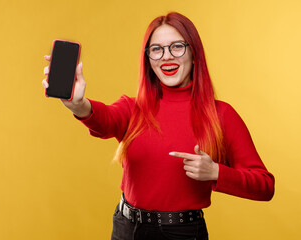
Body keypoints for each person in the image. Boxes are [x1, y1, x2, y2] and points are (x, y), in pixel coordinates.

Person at [43, 12, 274, 240]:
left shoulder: (222, 115)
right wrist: (77, 104)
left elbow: (265, 185)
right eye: (157, 49)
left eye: (177, 46)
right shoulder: (132, 108)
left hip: (182, 233)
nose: (166, 56)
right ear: (148, 59)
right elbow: (104, 120)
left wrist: (215, 172)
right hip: (126, 229)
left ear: (194, 54)